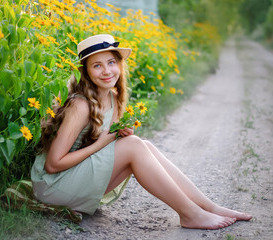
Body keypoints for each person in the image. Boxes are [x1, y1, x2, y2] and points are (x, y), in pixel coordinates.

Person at [31, 34, 252, 229]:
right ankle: (191, 215)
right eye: (97, 65)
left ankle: (209, 207)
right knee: (135, 145)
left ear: (120, 65)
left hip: (76, 178)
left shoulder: (113, 98)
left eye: (111, 62)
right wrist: (105, 143)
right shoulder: (80, 105)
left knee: (143, 145)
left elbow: (104, 145)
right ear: (86, 72)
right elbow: (53, 164)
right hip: (53, 187)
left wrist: (117, 135)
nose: (107, 71)